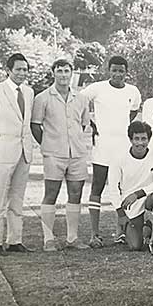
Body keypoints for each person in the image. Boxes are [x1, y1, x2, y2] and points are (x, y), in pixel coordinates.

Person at [81, 56, 141, 248]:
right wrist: (90, 123)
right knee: (97, 187)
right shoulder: (97, 88)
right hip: (102, 146)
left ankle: (120, 232)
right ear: (109, 71)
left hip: (123, 147)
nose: (117, 74)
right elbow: (78, 101)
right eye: (114, 70)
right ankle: (94, 234)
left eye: (121, 70)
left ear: (126, 72)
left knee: (122, 188)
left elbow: (131, 113)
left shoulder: (133, 91)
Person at [31, 59, 90, 252]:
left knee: (75, 193)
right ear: (53, 72)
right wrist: (49, 143)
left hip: (77, 153)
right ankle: (48, 238)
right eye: (60, 71)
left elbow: (82, 124)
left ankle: (72, 238)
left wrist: (72, 142)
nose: (63, 75)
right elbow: (35, 125)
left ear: (71, 73)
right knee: (51, 194)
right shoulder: (43, 98)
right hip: (53, 154)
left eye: (67, 71)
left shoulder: (80, 98)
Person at [0, 53, 35, 255]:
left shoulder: (29, 92)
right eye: (18, 69)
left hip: (24, 152)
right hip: (3, 150)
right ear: (9, 70)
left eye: (25, 69)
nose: (22, 73)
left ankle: (15, 240)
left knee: (17, 198)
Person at [108, 121, 153, 255]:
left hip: (147, 196)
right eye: (136, 139)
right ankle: (146, 227)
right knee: (135, 246)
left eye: (144, 139)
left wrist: (137, 194)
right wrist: (121, 214)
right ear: (130, 139)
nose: (140, 143)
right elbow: (113, 189)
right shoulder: (118, 158)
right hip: (129, 203)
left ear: (149, 139)